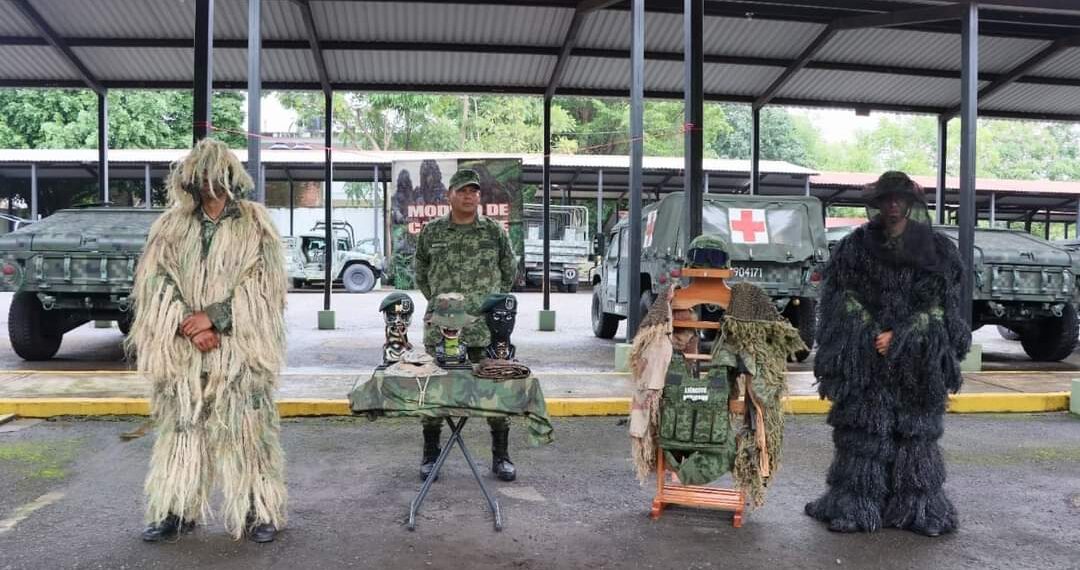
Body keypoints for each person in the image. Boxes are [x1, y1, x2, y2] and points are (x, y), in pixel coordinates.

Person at [129, 138, 288, 543]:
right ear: (190, 180)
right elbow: (154, 279)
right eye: (200, 177)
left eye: (215, 176)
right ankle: (176, 509)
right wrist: (188, 323)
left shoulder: (255, 224)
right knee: (181, 429)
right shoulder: (171, 226)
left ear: (230, 177)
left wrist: (214, 320)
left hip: (239, 350)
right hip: (184, 350)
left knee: (247, 430)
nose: (208, 185)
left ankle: (258, 511)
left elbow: (265, 285)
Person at [805, 171, 970, 537]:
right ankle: (856, 506)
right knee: (864, 432)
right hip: (866, 358)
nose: (893, 204)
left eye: (900, 198)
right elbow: (841, 297)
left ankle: (918, 509)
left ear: (910, 203)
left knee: (916, 435)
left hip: (917, 362)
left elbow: (942, 305)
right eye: (887, 198)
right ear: (877, 203)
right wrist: (870, 332)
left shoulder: (936, 248)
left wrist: (903, 335)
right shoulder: (855, 247)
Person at [413, 168, 517, 482]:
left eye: (474, 191)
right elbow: (421, 273)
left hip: (485, 330)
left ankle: (501, 456)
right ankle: (431, 455)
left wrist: (486, 304)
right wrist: (442, 304)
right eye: (462, 191)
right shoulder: (432, 232)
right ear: (450, 195)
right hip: (441, 330)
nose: (469, 196)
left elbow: (509, 271)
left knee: (496, 390)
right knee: (433, 392)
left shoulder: (494, 232)